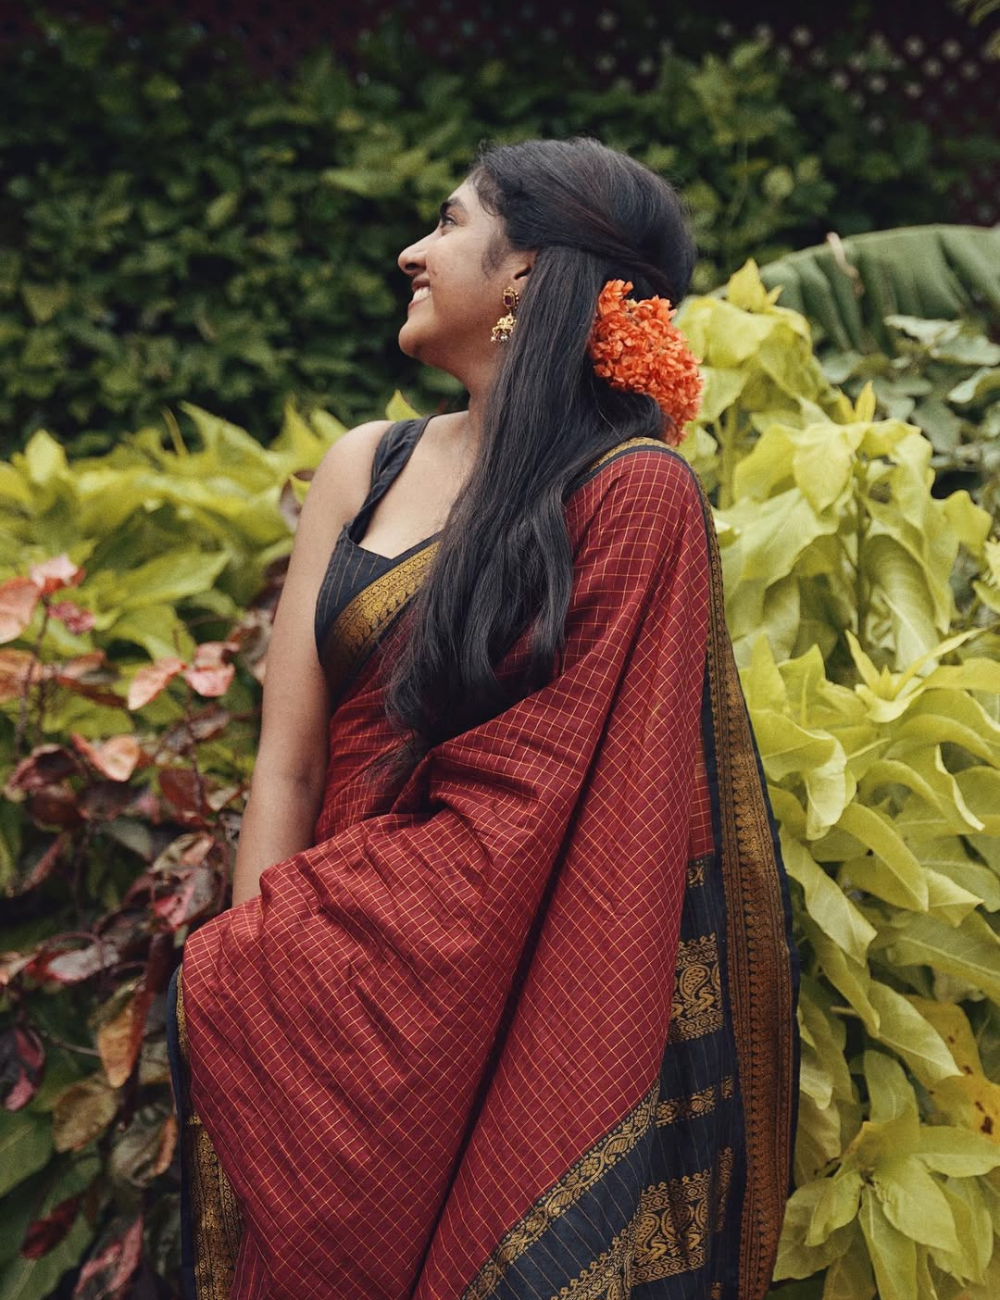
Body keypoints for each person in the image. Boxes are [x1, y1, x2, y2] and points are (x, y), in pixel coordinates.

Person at [167, 137, 799, 1300]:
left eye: (449, 223)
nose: (412, 249)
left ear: (524, 276)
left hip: (496, 1020)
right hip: (328, 1012)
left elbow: (547, 812)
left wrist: (314, 963)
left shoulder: (631, 497)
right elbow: (288, 768)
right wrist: (271, 998)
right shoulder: (366, 463)